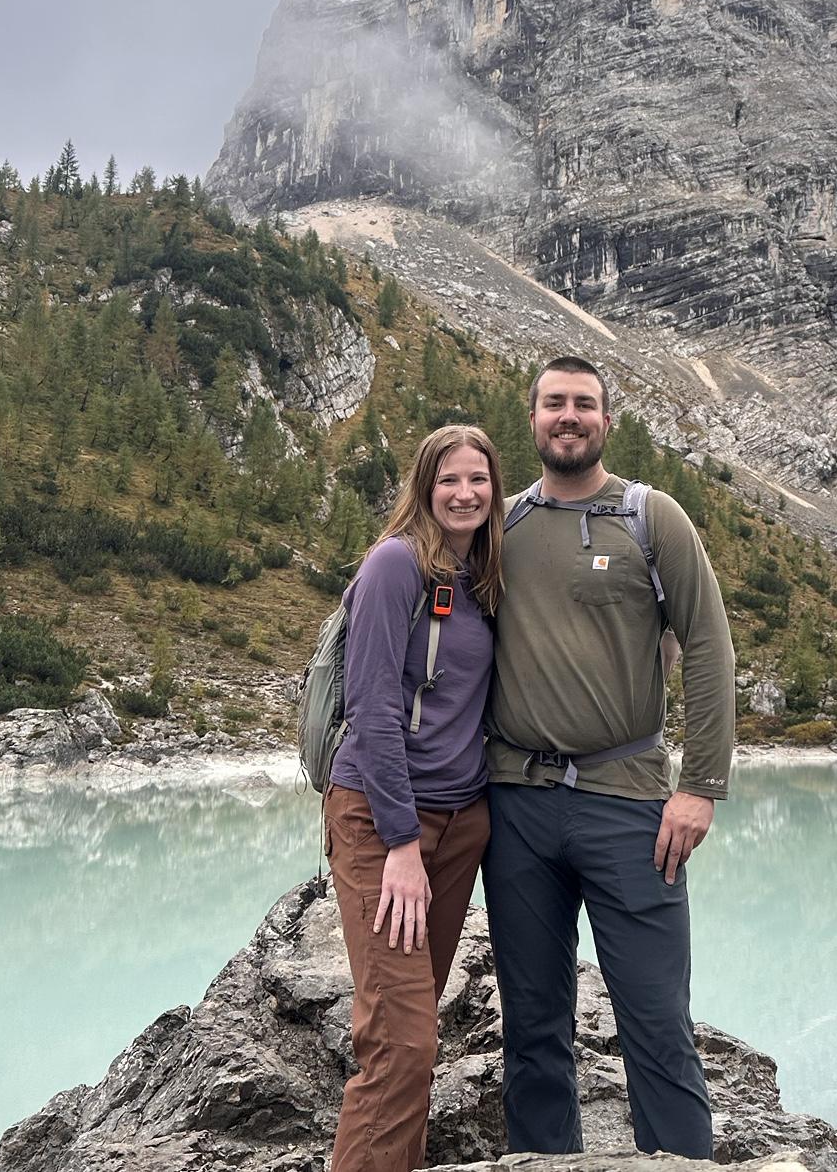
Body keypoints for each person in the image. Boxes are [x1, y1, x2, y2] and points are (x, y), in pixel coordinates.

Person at [483, 356, 735, 1159]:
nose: (569, 416)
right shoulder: (498, 526)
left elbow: (708, 645)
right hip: (516, 805)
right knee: (531, 1027)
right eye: (554, 403)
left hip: (629, 804)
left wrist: (700, 786)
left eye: (584, 404)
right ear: (532, 418)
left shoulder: (651, 518)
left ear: (606, 421)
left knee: (656, 1024)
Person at [323, 424, 504, 1172]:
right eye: (448, 480)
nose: (464, 494)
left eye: (478, 480)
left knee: (414, 1026)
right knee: (400, 1043)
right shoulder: (395, 564)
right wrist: (400, 842)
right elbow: (369, 707)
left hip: (461, 826)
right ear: (424, 489)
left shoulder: (482, 575)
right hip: (382, 820)